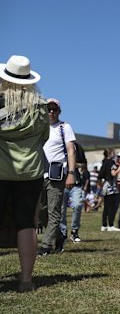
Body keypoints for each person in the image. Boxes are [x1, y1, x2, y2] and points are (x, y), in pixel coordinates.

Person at [0, 55, 48, 292]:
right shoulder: (40, 106)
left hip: (1, 170)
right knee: (26, 224)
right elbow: (44, 138)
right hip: (31, 172)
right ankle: (26, 280)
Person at [38, 98, 77, 256]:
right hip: (39, 173)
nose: (51, 112)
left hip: (56, 175)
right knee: (41, 210)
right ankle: (59, 236)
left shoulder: (64, 127)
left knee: (54, 211)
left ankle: (46, 246)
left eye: (54, 109)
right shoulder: (39, 127)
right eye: (49, 109)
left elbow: (71, 150)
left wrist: (71, 174)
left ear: (59, 111)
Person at [98, 149, 120, 232]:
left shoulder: (104, 163)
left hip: (105, 186)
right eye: (113, 153)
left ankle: (104, 225)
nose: (115, 155)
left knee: (106, 207)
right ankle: (111, 225)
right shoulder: (111, 163)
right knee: (112, 207)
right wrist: (119, 168)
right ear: (110, 154)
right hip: (111, 187)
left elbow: (100, 175)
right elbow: (113, 174)